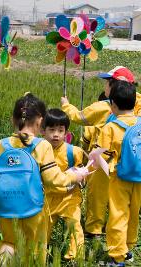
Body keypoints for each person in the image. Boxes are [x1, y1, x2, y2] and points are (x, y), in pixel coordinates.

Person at [0, 93, 89, 264]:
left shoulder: (1, 145)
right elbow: (54, 179)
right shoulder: (41, 145)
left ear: (13, 119)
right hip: (33, 208)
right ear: (40, 121)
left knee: (8, 243)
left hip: (6, 207)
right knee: (35, 249)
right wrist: (75, 176)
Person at [61, 66, 140, 238]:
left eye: (107, 82)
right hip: (130, 163)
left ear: (115, 86)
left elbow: (78, 117)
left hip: (103, 159)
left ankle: (94, 228)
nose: (105, 86)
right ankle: (120, 230)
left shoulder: (104, 107)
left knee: (97, 194)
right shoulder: (138, 103)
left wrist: (66, 106)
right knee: (122, 200)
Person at [93, 80, 140, 266]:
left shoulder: (110, 128)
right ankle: (128, 248)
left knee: (118, 214)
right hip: (139, 176)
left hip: (119, 178)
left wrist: (108, 170)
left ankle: (117, 256)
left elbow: (98, 155)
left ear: (112, 104)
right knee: (134, 212)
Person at [41, 109, 85, 260]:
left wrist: (82, 177)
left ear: (66, 132)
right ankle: (40, 254)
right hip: (48, 198)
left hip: (69, 197)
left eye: (60, 130)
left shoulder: (74, 152)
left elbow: (82, 172)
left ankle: (75, 256)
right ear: (43, 131)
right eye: (51, 130)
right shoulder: (39, 151)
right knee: (43, 229)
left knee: (74, 226)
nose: (56, 134)